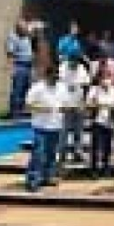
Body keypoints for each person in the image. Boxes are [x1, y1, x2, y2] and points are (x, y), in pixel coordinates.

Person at [24, 63, 67, 192]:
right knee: (38, 154)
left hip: (56, 126)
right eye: (53, 76)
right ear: (47, 76)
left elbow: (64, 104)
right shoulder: (37, 88)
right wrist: (42, 108)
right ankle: (33, 179)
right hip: (40, 126)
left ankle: (48, 176)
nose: (55, 79)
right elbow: (28, 105)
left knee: (51, 154)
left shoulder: (61, 87)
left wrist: (66, 109)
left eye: (57, 76)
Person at [86, 69, 114, 178]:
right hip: (97, 121)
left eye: (108, 77)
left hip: (109, 122)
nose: (106, 80)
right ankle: (94, 169)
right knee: (95, 147)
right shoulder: (94, 90)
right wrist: (98, 105)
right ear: (99, 79)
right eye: (104, 77)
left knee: (107, 147)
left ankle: (106, 168)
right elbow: (88, 105)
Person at [58, 53, 90, 166]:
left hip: (78, 104)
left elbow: (86, 86)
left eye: (76, 62)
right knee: (64, 131)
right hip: (65, 104)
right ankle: (62, 155)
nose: (74, 64)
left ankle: (77, 152)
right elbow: (58, 84)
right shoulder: (62, 68)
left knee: (78, 131)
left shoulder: (82, 69)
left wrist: (84, 102)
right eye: (72, 62)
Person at [6, 20, 34, 119]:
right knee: (17, 90)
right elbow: (10, 54)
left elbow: (34, 36)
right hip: (20, 66)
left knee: (27, 90)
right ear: (18, 28)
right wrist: (12, 69)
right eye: (24, 27)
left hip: (29, 66)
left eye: (26, 27)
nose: (26, 29)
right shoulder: (13, 37)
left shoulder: (26, 36)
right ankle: (15, 113)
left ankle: (24, 112)